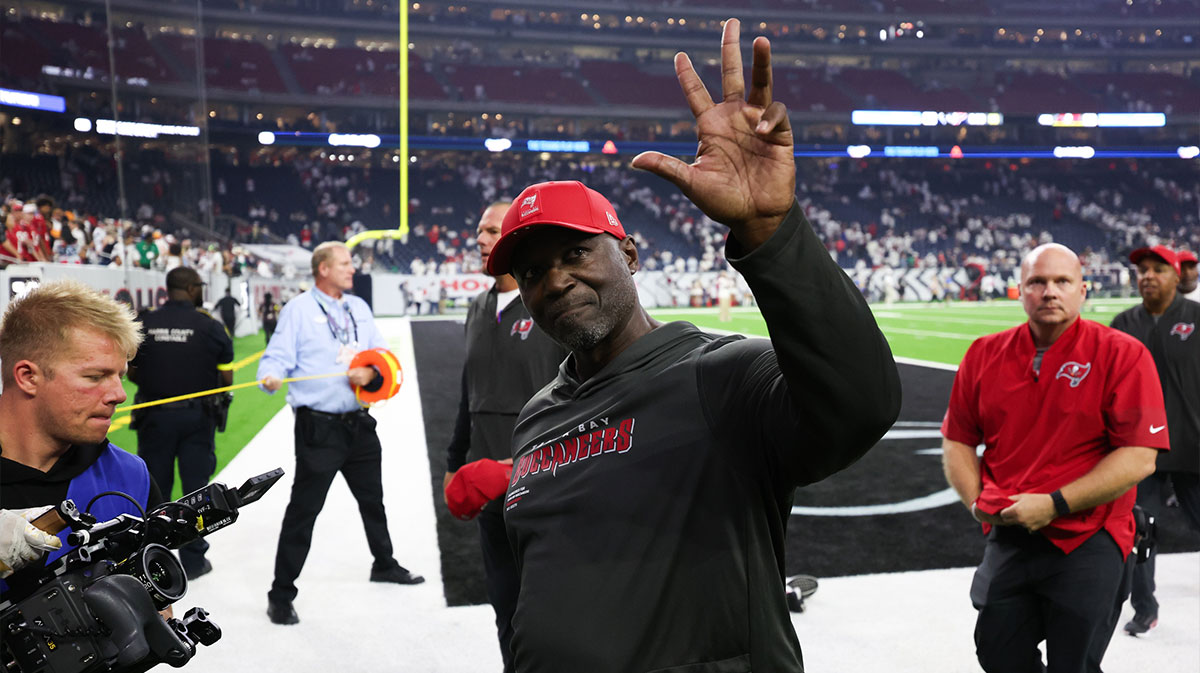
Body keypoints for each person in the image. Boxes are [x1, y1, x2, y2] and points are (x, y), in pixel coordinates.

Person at [483, 19, 902, 673]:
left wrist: (772, 232)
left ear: (628, 252)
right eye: (532, 271)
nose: (555, 280)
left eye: (573, 253)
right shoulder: (537, 415)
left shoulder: (720, 375)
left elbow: (862, 404)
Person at [941, 242, 1168, 673]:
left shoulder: (1122, 354)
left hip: (1090, 536)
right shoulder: (983, 354)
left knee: (1074, 664)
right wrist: (976, 504)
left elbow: (1139, 457)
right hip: (1011, 534)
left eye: (1062, 281)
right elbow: (957, 440)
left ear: (1083, 290)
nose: (1050, 292)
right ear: (1021, 291)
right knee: (997, 653)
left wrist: (1054, 503)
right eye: (1037, 282)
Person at [258, 241, 424, 626]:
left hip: (359, 424)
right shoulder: (298, 310)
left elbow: (382, 354)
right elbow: (277, 356)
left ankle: (384, 564)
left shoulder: (358, 308)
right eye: (346, 263)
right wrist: (270, 376)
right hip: (319, 428)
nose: (353, 269)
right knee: (304, 510)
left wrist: (370, 372)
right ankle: (281, 594)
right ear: (323, 269)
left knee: (373, 501)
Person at [442, 201, 567, 672]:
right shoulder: (477, 306)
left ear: (515, 236)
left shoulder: (552, 300)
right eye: (478, 230)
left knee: (554, 606)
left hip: (546, 480)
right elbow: (466, 391)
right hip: (487, 482)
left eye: (491, 230)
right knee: (504, 604)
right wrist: (455, 459)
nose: (479, 239)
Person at [0, 280, 163, 596]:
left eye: (120, 376)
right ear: (28, 376)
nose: (119, 394)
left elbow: (158, 606)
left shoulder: (131, 478)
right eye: (95, 376)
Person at [1109, 245, 1200, 636]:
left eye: (1157, 269)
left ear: (1176, 276)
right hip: (1138, 451)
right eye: (1142, 269)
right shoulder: (1122, 323)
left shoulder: (1198, 319)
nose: (1147, 275)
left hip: (1194, 448)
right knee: (1138, 531)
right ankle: (1144, 607)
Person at [127, 267, 234, 580]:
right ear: (190, 288)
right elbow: (226, 378)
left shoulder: (144, 322)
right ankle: (194, 561)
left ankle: (152, 558)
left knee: (154, 489)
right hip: (196, 419)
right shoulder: (210, 326)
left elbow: (132, 372)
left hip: (155, 417)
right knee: (196, 491)